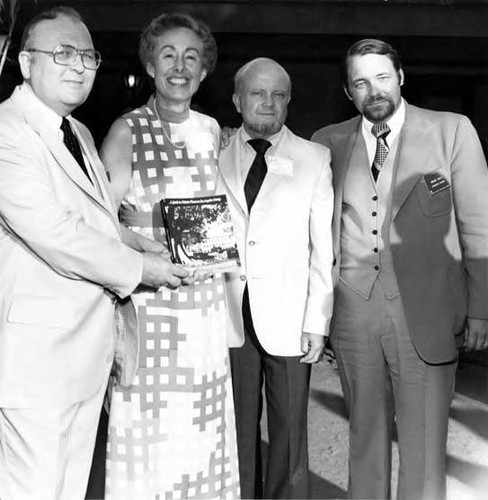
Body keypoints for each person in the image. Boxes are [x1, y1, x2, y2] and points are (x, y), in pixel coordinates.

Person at [0, 6, 188, 500]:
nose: (78, 65)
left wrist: (140, 242)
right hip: (35, 364)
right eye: (61, 52)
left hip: (84, 357)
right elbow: (56, 233)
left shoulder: (78, 132)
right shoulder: (7, 130)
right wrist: (142, 268)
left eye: (87, 54)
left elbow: (95, 221)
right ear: (25, 63)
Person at [312, 38, 488, 500]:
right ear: (348, 91)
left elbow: (479, 226)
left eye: (383, 77)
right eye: (361, 82)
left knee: (425, 445)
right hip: (353, 312)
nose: (374, 90)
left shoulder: (451, 131)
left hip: (427, 312)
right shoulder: (325, 143)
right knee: (363, 438)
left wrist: (481, 310)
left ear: (402, 77)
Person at [99, 12, 240, 499]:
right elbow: (98, 221)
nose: (179, 66)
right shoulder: (126, 131)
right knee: (150, 422)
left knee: (200, 426)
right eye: (168, 55)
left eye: (191, 57)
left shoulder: (209, 129)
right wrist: (140, 246)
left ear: (204, 71)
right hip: (149, 299)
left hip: (201, 302)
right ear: (151, 65)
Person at [219, 57, 334, 499]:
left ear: (288, 102)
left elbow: (323, 249)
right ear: (237, 100)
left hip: (289, 316)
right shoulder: (214, 154)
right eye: (257, 93)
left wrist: (317, 322)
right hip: (229, 314)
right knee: (237, 426)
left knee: (289, 431)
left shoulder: (313, 158)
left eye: (278, 95)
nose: (268, 103)